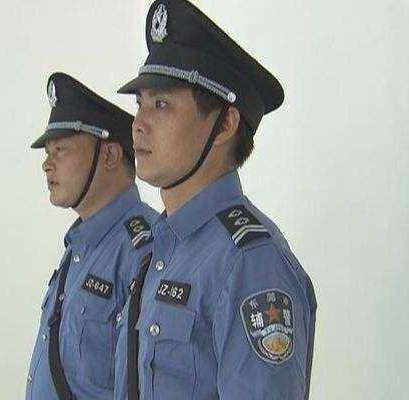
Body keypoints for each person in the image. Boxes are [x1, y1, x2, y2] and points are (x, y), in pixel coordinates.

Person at [113, 1, 317, 399]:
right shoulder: (162, 247)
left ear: (225, 124)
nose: (138, 124)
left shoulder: (250, 263)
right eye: (139, 104)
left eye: (161, 104)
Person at [25, 72, 158, 400]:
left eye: (61, 149)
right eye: (47, 152)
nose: (47, 164)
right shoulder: (80, 245)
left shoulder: (145, 249)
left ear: (110, 155)